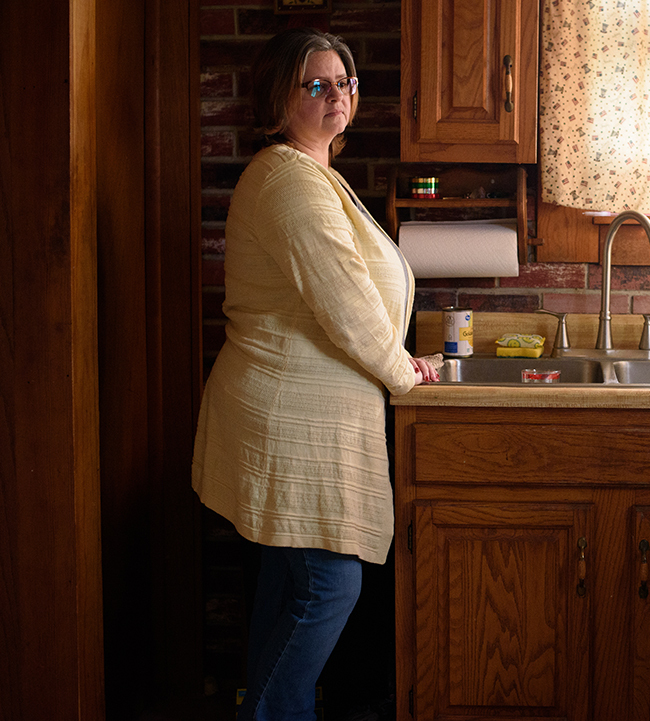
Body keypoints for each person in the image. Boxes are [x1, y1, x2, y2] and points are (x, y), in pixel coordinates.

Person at [191, 27, 438, 720]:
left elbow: (349, 297)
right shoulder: (286, 179)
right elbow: (346, 302)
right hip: (288, 426)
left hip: (303, 423)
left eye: (345, 82)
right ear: (281, 97)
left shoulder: (314, 173)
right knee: (327, 588)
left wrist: (397, 359)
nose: (338, 95)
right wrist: (401, 373)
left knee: (289, 589)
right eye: (317, 84)